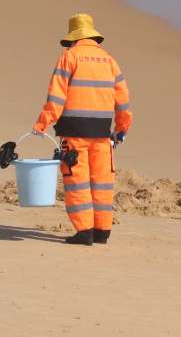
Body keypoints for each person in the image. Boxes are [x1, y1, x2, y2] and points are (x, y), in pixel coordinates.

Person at [33, 13, 132, 246]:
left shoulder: (69, 57)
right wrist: (121, 128)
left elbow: (56, 97)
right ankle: (102, 232)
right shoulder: (109, 60)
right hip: (103, 135)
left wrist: (42, 123)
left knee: (77, 183)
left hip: (73, 134)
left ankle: (84, 232)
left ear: (73, 38)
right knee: (102, 184)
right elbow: (123, 99)